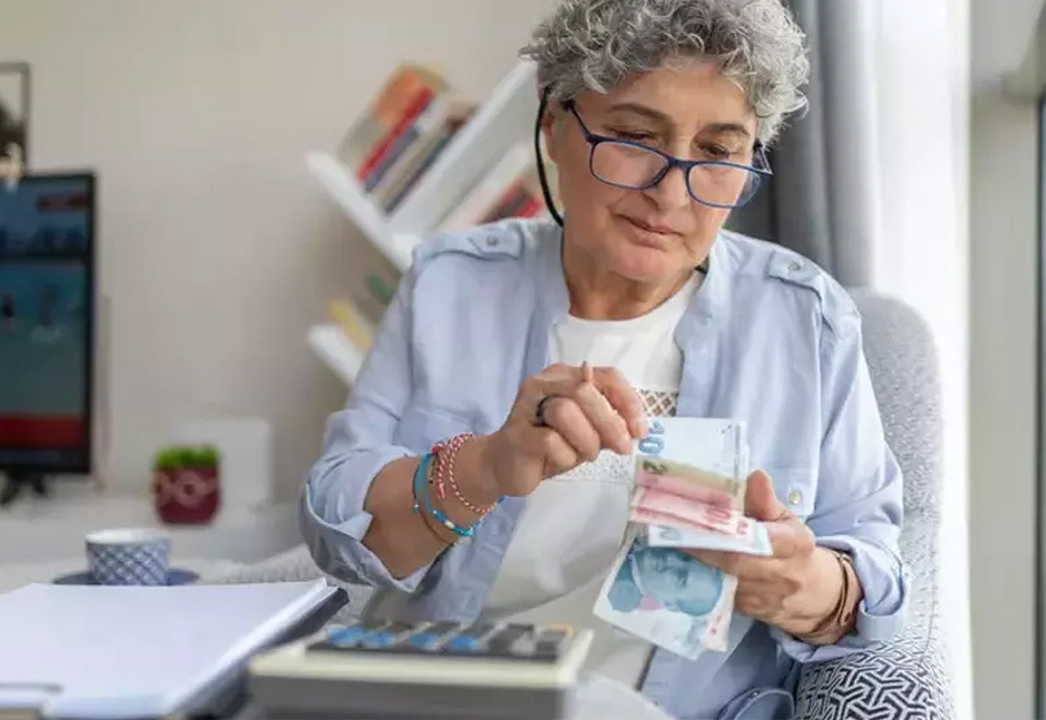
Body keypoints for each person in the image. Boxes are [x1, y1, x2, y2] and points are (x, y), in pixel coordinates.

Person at [300, 0, 906, 718]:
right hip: (449, 696)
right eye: (633, 137)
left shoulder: (805, 319)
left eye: (717, 153)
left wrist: (802, 583)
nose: (669, 195)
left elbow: (873, 573)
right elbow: (337, 530)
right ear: (555, 125)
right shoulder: (450, 283)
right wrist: (487, 466)